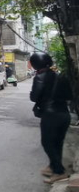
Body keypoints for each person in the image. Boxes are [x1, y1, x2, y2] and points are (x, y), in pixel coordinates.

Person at [29, 52, 72, 184]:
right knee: (57, 142)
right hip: (64, 115)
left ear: (35, 64)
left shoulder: (39, 77)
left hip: (50, 115)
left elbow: (34, 97)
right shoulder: (59, 76)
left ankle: (59, 171)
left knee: (47, 143)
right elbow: (69, 96)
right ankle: (53, 166)